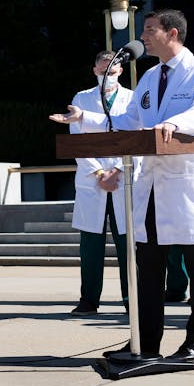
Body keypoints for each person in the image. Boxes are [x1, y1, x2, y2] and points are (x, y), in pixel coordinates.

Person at [50, 9, 194, 362]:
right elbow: (128, 123)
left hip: (187, 184)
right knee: (148, 270)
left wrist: (171, 125)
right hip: (150, 187)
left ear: (172, 33)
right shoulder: (148, 77)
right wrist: (85, 117)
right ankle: (145, 344)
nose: (142, 36)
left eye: (149, 30)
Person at [69, 51, 136, 316]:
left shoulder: (132, 98)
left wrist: (117, 170)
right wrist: (99, 173)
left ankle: (132, 300)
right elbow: (77, 140)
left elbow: (135, 136)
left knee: (127, 244)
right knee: (91, 245)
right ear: (94, 70)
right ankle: (88, 300)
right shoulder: (81, 98)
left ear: (121, 71)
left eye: (113, 67)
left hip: (123, 178)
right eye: (102, 67)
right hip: (92, 181)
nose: (107, 71)